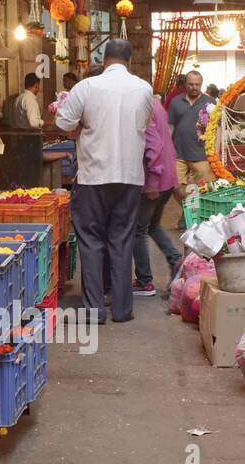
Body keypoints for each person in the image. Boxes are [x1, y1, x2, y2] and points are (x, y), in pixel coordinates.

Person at [55, 39, 154, 323]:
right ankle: (123, 310)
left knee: (91, 242)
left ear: (104, 59)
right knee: (121, 241)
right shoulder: (144, 89)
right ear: (129, 60)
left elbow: (63, 123)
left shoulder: (86, 87)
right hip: (129, 177)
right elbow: (143, 125)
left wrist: (83, 126)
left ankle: (94, 310)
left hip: (93, 176)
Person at [134, 95, 181, 297]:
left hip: (156, 180)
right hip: (168, 176)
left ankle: (145, 282)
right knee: (152, 225)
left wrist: (152, 181)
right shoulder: (156, 104)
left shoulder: (143, 106)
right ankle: (176, 260)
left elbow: (153, 146)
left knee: (138, 229)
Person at [166, 70, 216, 201]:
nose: (194, 87)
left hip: (201, 154)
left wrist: (217, 151)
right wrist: (166, 150)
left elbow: (217, 129)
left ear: (201, 84)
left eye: (197, 84)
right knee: (174, 186)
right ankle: (189, 210)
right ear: (185, 84)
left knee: (208, 188)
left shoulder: (210, 102)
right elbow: (169, 127)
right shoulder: (175, 102)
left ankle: (194, 214)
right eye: (191, 84)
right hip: (178, 154)